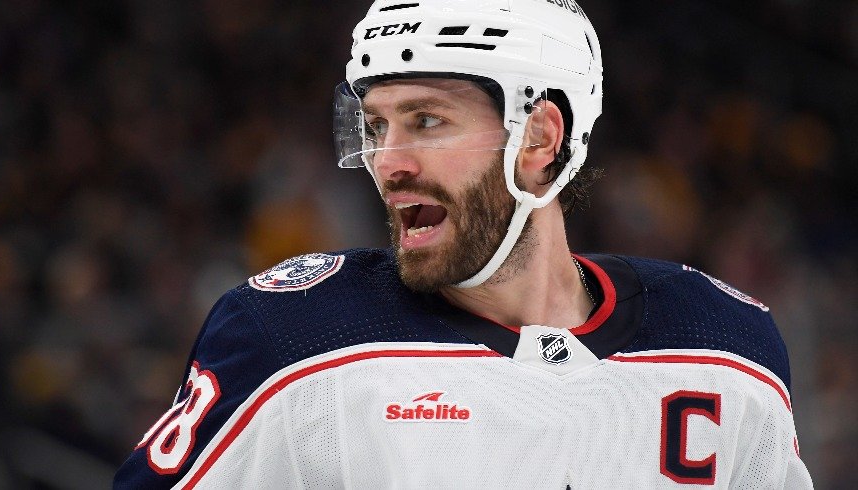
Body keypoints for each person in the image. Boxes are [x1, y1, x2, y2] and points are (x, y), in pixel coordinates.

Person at [115, 0, 812, 487]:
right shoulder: (293, 340)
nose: (388, 161)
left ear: (539, 138)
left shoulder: (726, 348)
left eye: (425, 120)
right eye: (377, 126)